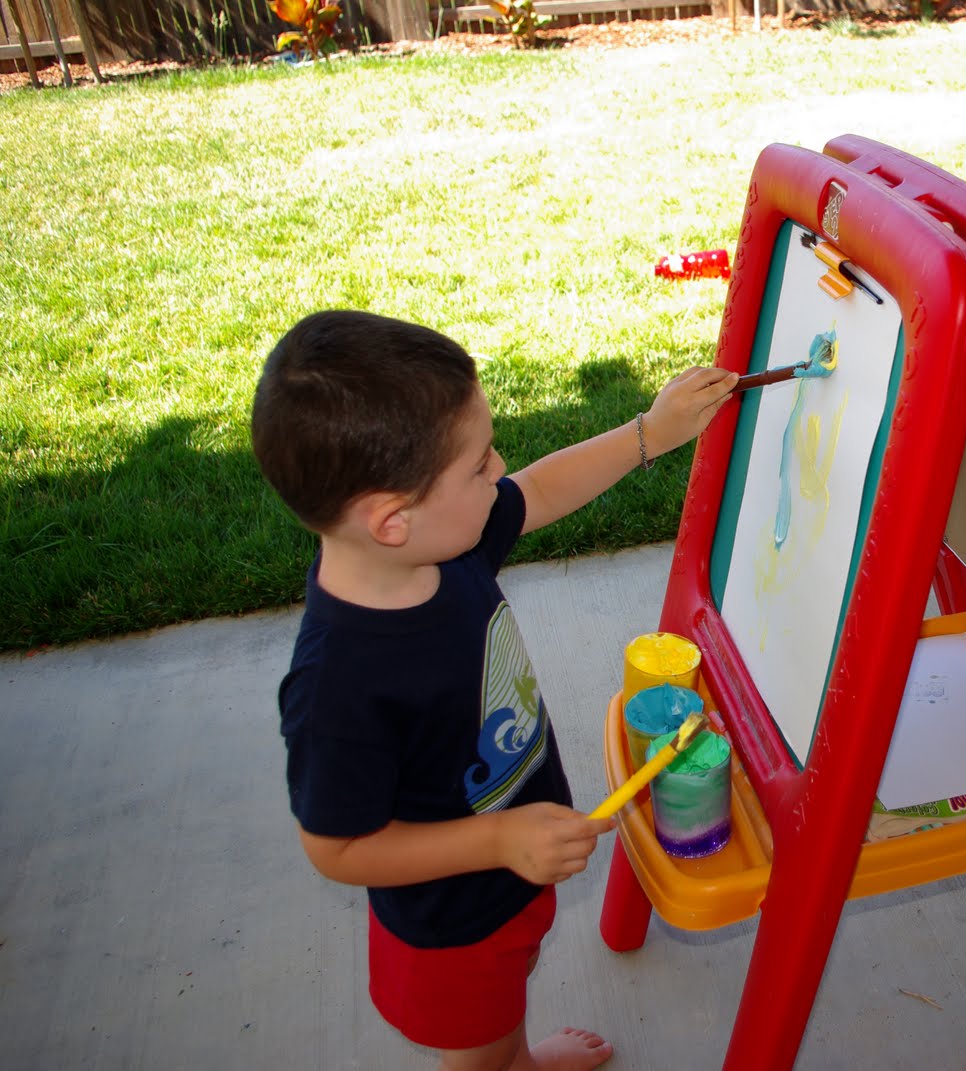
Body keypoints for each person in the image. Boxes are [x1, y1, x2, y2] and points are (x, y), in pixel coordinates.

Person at [251, 310, 737, 1070]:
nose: (499, 469)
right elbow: (336, 846)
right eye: (478, 466)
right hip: (451, 925)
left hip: (510, 869)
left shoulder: (445, 546)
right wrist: (498, 841)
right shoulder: (337, 684)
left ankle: (520, 1059)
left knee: (502, 1012)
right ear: (390, 520)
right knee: (475, 1046)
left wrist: (652, 430)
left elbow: (538, 489)